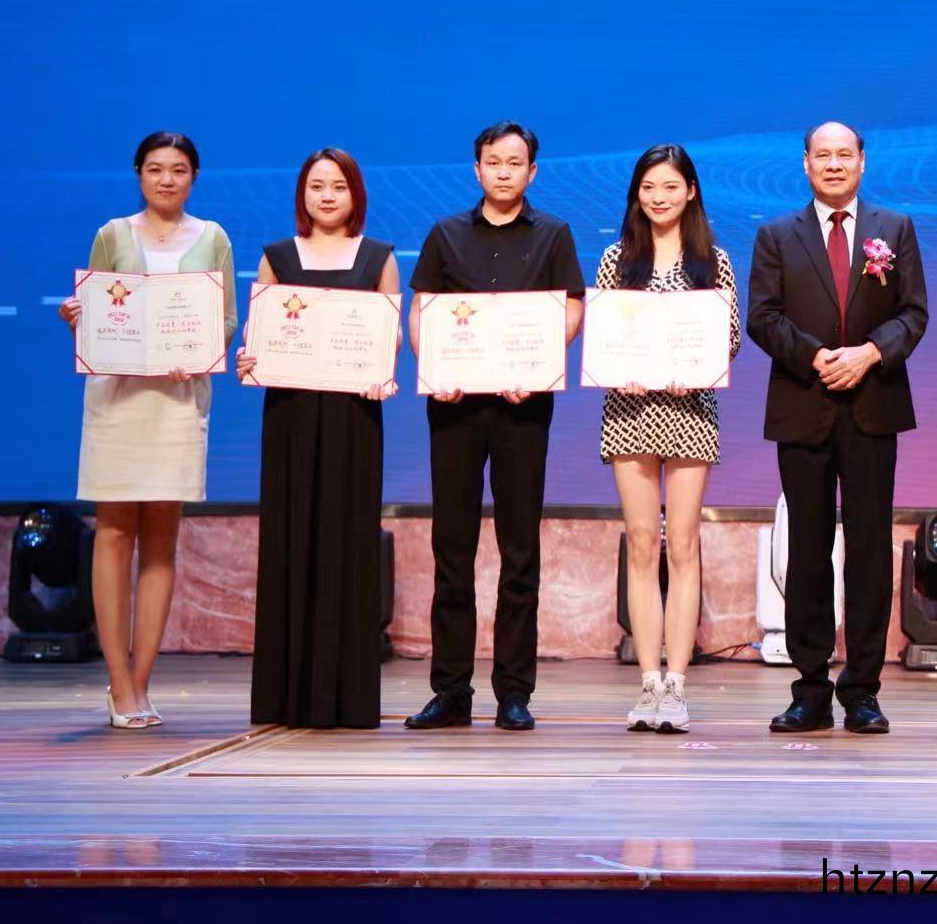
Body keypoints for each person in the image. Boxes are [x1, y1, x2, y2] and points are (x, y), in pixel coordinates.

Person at [404, 122, 585, 732]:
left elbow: (572, 307)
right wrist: (435, 368)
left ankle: (513, 691)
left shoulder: (554, 233)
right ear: (476, 169)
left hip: (522, 409)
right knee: (452, 549)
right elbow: (421, 310)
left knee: (519, 549)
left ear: (532, 172)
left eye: (515, 162)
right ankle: (451, 690)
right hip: (454, 408)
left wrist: (538, 366)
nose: (503, 172)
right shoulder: (445, 233)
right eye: (493, 161)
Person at [748, 121, 927, 734]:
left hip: (873, 404)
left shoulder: (894, 228)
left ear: (862, 161)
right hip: (804, 404)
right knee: (807, 550)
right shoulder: (777, 235)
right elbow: (763, 316)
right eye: (821, 155)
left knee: (871, 551)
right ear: (805, 163)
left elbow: (914, 313)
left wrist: (870, 354)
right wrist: (816, 356)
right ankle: (810, 688)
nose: (833, 164)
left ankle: (863, 690)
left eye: (843, 154)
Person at [58, 131, 236, 730]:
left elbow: (226, 321)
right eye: (156, 168)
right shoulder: (113, 234)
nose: (167, 179)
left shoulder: (213, 238)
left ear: (194, 177)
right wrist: (76, 317)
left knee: (162, 539)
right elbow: (96, 317)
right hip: (118, 400)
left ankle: (141, 681)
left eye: (179, 169)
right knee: (113, 532)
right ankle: (117, 682)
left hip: (177, 401)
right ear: (139, 174)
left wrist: (200, 347)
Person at [236, 148, 397, 730]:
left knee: (348, 541)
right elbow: (259, 333)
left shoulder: (379, 257)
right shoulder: (276, 256)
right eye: (316, 186)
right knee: (290, 537)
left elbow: (388, 337)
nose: (327, 196)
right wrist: (250, 356)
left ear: (356, 194)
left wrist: (382, 371)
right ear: (302, 194)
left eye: (338, 186)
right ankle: (283, 696)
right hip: (291, 418)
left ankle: (345, 696)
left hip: (355, 419)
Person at [595, 145, 741, 733]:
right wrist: (620, 367)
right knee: (640, 544)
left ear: (691, 191)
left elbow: (729, 338)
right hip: (629, 411)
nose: (659, 197)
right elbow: (605, 337)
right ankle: (648, 681)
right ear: (637, 193)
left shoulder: (713, 261)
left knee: (681, 545)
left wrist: (695, 368)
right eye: (649, 187)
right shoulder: (616, 259)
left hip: (690, 411)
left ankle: (677, 684)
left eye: (670, 186)